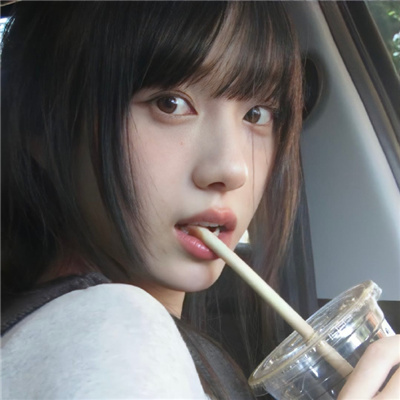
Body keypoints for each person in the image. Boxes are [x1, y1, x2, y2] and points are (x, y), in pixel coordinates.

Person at [1, 2, 399, 399]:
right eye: (170, 104)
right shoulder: (111, 334)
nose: (233, 169)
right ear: (45, 131)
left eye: (257, 114)